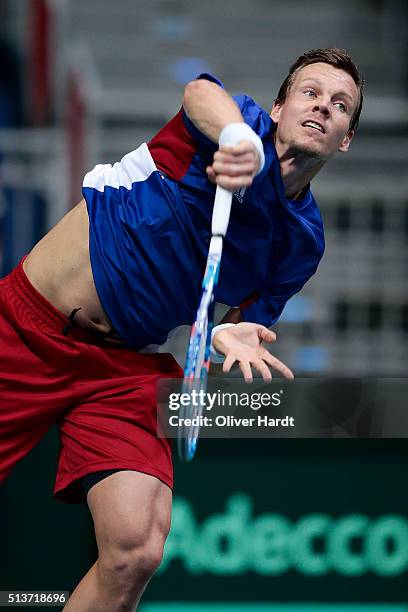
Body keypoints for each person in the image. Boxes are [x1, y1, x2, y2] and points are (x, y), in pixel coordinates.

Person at [0, 47, 363, 610]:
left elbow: (245, 323)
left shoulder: (301, 242)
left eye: (340, 105)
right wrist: (238, 139)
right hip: (26, 328)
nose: (323, 106)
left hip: (121, 371)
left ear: (345, 137)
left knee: (136, 550)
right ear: (278, 106)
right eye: (310, 92)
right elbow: (199, 92)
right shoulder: (226, 125)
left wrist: (233, 332)